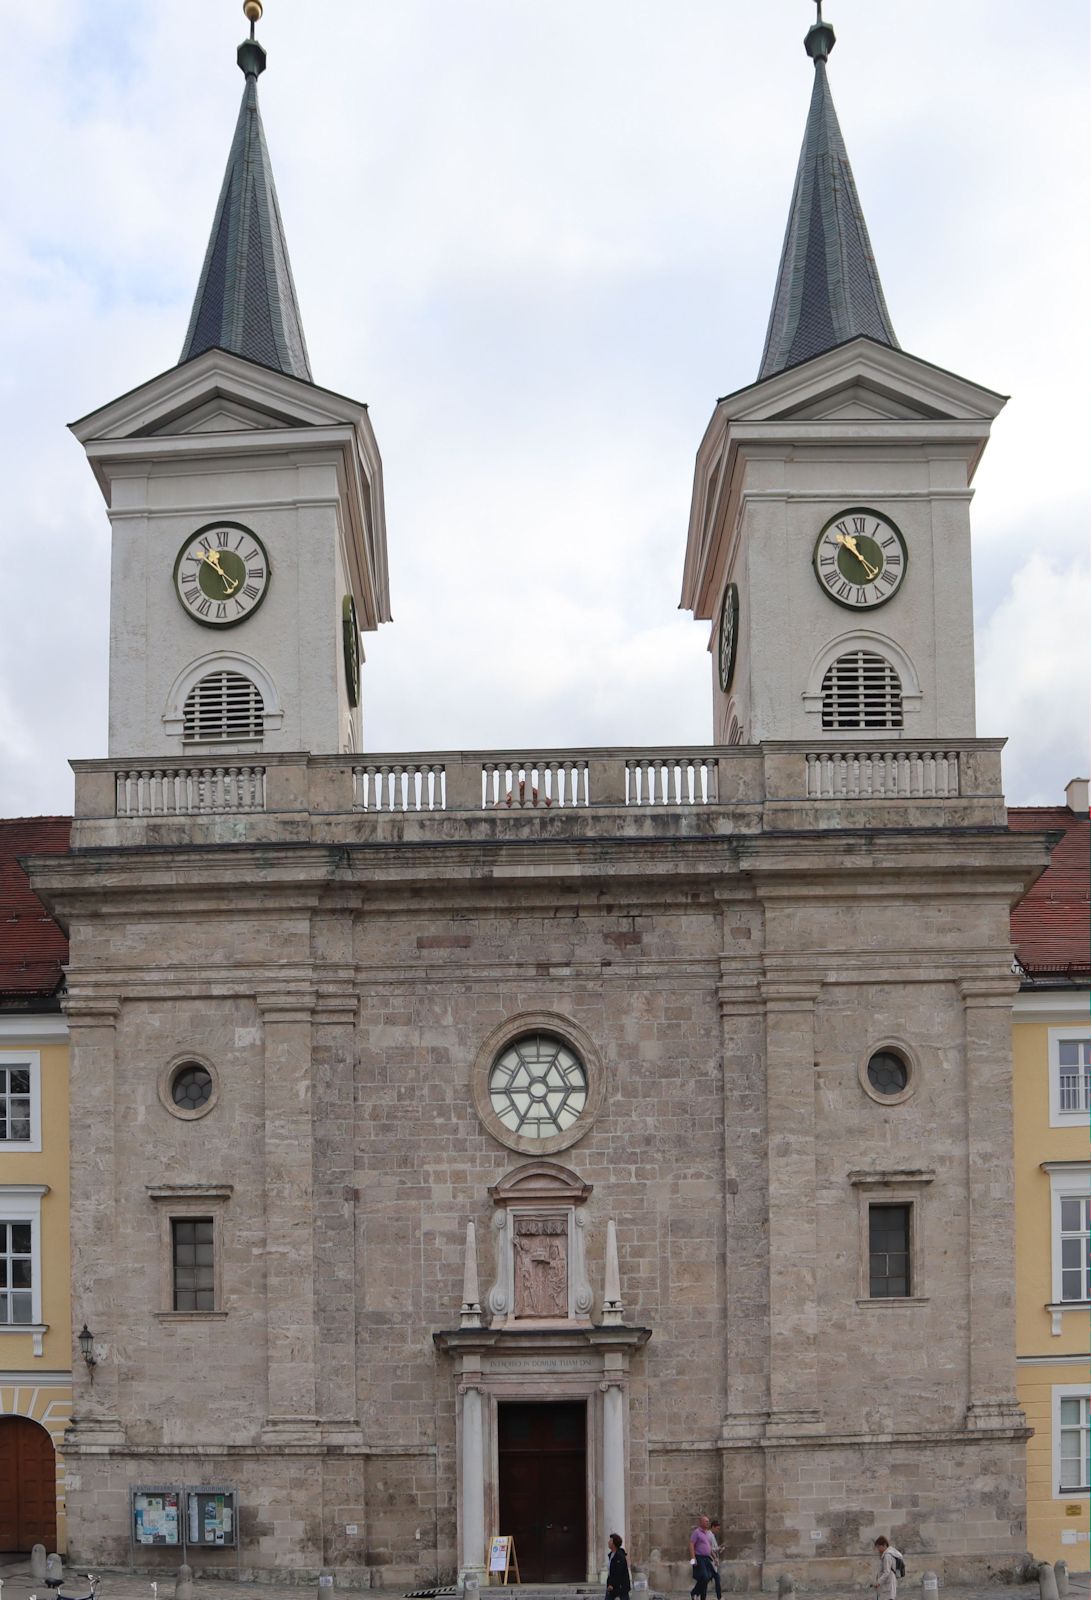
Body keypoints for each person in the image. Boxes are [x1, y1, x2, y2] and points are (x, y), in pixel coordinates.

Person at [689, 1514, 715, 1600]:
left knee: (709, 1576)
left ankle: (696, 1592)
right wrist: (693, 1558)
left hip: (707, 1558)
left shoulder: (708, 1533)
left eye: (708, 1521)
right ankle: (697, 1594)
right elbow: (691, 1544)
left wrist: (714, 1557)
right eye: (706, 1521)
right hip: (699, 1557)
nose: (708, 1523)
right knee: (704, 1577)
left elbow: (709, 1547)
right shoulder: (696, 1532)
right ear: (701, 1522)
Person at [874, 1536, 901, 1600]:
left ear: (884, 1545)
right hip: (889, 1584)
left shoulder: (887, 1556)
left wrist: (878, 1582)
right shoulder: (888, 1554)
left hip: (888, 1586)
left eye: (878, 1547)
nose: (878, 1549)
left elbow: (887, 1572)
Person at [606, 1533, 631, 1600]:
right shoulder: (611, 1555)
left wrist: (612, 1584)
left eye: (610, 1541)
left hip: (621, 1586)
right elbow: (610, 1572)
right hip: (612, 1585)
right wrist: (609, 1583)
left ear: (614, 1543)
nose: (608, 1542)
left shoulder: (620, 1556)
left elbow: (619, 1572)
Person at [707, 1518, 723, 1600]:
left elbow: (713, 1548)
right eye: (717, 1528)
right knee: (715, 1578)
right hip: (711, 1560)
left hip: (713, 1560)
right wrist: (717, 1549)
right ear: (713, 1527)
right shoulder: (709, 1535)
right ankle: (719, 1597)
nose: (718, 1530)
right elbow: (708, 1548)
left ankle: (695, 1592)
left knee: (709, 1579)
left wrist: (718, 1548)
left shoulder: (712, 1535)